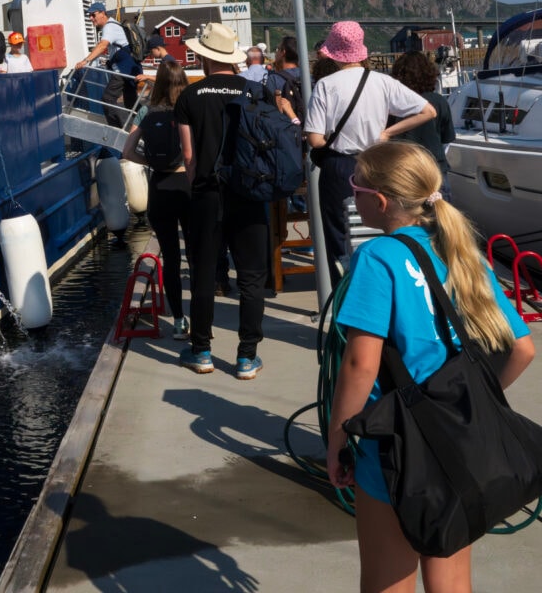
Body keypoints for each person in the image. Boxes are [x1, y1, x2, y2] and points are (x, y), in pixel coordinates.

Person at [326, 141, 534, 593]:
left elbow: (361, 363)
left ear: (378, 202)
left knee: (387, 579)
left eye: (355, 187)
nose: (352, 194)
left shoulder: (376, 258)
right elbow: (522, 348)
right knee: (452, 579)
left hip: (395, 446)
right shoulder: (464, 251)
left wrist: (338, 439)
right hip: (460, 440)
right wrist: (469, 403)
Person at [304, 21, 435, 286]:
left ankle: (345, 300)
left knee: (340, 238)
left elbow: (315, 140)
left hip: (339, 167)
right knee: (382, 230)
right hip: (377, 165)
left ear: (334, 52)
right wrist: (387, 134)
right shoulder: (382, 82)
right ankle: (383, 293)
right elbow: (428, 111)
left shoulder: (326, 85)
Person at [174, 22, 272, 378]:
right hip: (249, 192)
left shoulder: (189, 97)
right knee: (251, 277)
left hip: (207, 195)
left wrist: (197, 185)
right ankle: (247, 357)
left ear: (203, 57)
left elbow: (188, 157)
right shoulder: (255, 91)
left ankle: (201, 351)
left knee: (203, 272)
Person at [122, 59, 191, 340]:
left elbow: (127, 150)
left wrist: (149, 161)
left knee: (171, 258)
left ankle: (178, 320)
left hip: (159, 186)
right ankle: (200, 318)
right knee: (196, 255)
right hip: (186, 184)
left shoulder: (146, 111)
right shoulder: (189, 107)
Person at [390, 51, 456, 200]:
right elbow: (447, 139)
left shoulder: (393, 103)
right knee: (440, 218)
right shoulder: (438, 101)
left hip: (404, 170)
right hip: (435, 169)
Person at [74, 1, 140, 128]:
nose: (91, 18)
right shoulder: (114, 25)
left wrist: (85, 61)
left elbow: (102, 45)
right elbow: (108, 48)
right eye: (89, 15)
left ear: (103, 13)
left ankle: (120, 130)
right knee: (131, 103)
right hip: (130, 69)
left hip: (123, 70)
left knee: (108, 98)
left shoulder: (109, 27)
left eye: (93, 15)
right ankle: (148, 126)